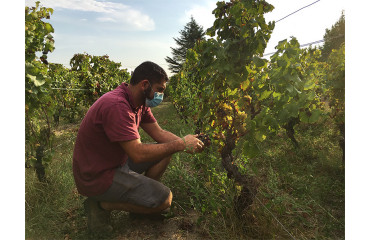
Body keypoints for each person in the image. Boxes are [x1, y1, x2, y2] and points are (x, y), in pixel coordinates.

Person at [72, 61, 205, 233]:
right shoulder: (118, 105)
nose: (161, 95)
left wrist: (187, 143)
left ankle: (142, 203)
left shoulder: (139, 102)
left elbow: (159, 133)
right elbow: (138, 154)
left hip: (114, 163)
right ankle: (100, 204)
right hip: (96, 175)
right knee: (165, 200)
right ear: (145, 84)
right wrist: (180, 144)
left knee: (166, 150)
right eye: (160, 89)